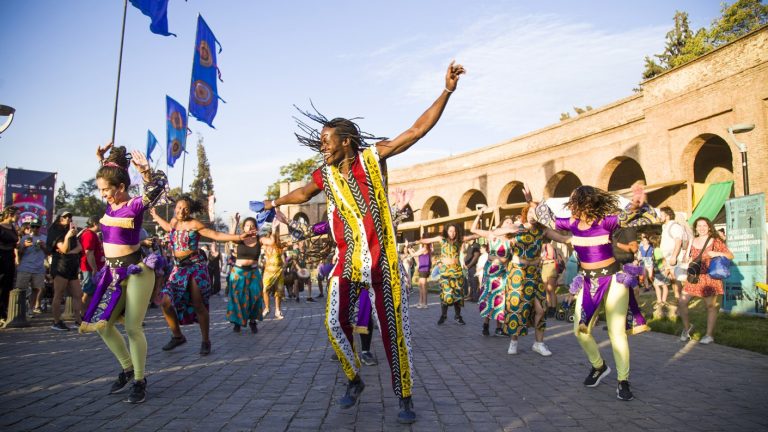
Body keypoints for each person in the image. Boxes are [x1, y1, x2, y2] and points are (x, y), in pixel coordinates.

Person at [261, 61, 465, 423]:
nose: (322, 146)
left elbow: (416, 131)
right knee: (333, 323)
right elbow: (303, 193)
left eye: (327, 141)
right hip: (346, 263)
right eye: (321, 141)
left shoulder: (373, 158)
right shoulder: (323, 175)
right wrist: (273, 201)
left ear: (346, 142)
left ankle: (404, 397)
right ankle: (354, 379)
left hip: (383, 263)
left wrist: (446, 90)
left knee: (393, 333)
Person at [534, 185, 656, 401]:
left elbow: (648, 217)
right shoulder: (571, 224)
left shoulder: (607, 221)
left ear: (587, 204)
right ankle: (599, 366)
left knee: (616, 333)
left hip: (614, 281)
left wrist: (638, 205)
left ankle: (623, 381)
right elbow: (542, 213)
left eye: (575, 202)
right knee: (580, 330)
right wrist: (538, 201)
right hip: (589, 283)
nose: (572, 207)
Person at [82, 143, 168, 404]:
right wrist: (103, 161)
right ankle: (128, 368)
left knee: (132, 327)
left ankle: (140, 380)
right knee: (101, 324)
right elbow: (110, 175)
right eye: (100, 190)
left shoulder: (135, 205)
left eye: (106, 190)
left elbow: (157, 190)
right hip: (113, 272)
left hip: (138, 272)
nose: (103, 195)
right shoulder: (110, 206)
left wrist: (146, 173)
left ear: (121, 188)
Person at [150, 196, 254, 355]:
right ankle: (177, 336)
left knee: (198, 304)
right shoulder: (173, 222)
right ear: (175, 208)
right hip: (179, 268)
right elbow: (167, 228)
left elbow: (216, 235)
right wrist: (156, 216)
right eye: (178, 208)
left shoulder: (194, 224)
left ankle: (206, 341)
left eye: (185, 208)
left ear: (190, 210)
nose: (181, 211)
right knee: (165, 302)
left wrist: (238, 237)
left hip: (195, 266)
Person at [678, 217, 733, 345]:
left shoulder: (715, 241)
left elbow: (730, 255)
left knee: (710, 306)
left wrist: (717, 253)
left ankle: (709, 335)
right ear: (696, 228)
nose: (702, 228)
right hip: (694, 277)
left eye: (704, 225)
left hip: (710, 278)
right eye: (699, 226)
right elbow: (687, 258)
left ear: (709, 227)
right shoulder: (692, 241)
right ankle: (687, 328)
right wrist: (685, 259)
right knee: (682, 302)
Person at [418, 223, 476, 325]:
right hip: (445, 272)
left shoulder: (459, 240)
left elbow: (474, 235)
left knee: (458, 295)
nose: (452, 233)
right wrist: (418, 241)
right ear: (446, 231)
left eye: (454, 231)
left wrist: (490, 233)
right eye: (450, 231)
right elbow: (426, 240)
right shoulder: (442, 239)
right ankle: (443, 315)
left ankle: (458, 316)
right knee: (446, 294)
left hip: (457, 271)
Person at [471, 212, 514, 337]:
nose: (509, 224)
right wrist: (479, 215)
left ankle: (499, 328)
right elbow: (473, 229)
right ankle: (486, 324)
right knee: (488, 297)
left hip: (502, 273)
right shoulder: (492, 235)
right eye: (507, 222)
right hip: (490, 272)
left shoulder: (511, 240)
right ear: (501, 224)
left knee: (501, 299)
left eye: (511, 223)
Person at [226, 213, 264, 334]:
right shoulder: (240, 239)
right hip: (238, 272)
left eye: (252, 225)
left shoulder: (259, 239)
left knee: (255, 295)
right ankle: (237, 323)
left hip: (253, 273)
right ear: (244, 228)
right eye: (247, 225)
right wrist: (235, 223)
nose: (249, 227)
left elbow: (272, 240)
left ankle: (252, 321)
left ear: (256, 228)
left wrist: (275, 227)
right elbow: (230, 237)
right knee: (238, 297)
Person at [47, 210, 84, 331]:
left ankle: (78, 320)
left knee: (78, 294)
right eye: (65, 216)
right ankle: (56, 322)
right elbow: (63, 248)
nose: (68, 218)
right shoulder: (55, 231)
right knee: (59, 294)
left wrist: (71, 251)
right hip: (60, 266)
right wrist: (68, 236)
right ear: (59, 218)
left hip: (72, 265)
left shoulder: (71, 230)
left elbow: (79, 247)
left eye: (70, 216)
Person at [16, 218, 47, 315]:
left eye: (37, 227)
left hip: (38, 268)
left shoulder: (44, 238)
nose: (35, 229)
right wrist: (24, 246)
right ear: (30, 227)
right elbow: (19, 253)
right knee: (20, 289)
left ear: (40, 227)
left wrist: (43, 246)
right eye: (33, 226)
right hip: (25, 267)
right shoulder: (25, 238)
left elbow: (49, 252)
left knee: (36, 289)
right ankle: (18, 311)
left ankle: (30, 309)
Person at [659, 206, 688, 300]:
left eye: (661, 214)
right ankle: (677, 298)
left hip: (675, 257)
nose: (660, 216)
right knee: (673, 279)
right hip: (668, 257)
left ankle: (681, 299)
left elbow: (678, 241)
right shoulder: (665, 226)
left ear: (667, 215)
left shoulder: (674, 226)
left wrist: (674, 256)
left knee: (678, 278)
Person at [80, 216, 105, 309]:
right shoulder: (88, 234)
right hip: (89, 268)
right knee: (87, 292)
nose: (102, 225)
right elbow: (89, 253)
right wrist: (94, 268)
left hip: (93, 268)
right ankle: (82, 314)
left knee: (91, 292)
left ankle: (86, 314)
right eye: (100, 223)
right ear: (95, 223)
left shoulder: (92, 234)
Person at [261, 224, 285, 320]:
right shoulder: (265, 242)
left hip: (279, 270)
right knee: (265, 289)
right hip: (268, 270)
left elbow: (287, 245)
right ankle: (267, 308)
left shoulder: (280, 243)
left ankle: (278, 311)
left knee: (278, 291)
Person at [0, 206, 20, 320]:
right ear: (10, 214)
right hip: (1, 257)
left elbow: (14, 242)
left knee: (8, 284)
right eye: (17, 214)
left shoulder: (12, 228)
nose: (19, 216)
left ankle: (3, 311)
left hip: (9, 257)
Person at [411, 243, 431, 309]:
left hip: (424, 270)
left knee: (423, 287)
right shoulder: (423, 249)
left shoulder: (424, 249)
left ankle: (425, 304)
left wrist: (408, 247)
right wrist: (411, 249)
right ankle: (421, 302)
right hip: (422, 269)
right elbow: (416, 257)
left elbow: (413, 254)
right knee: (420, 286)